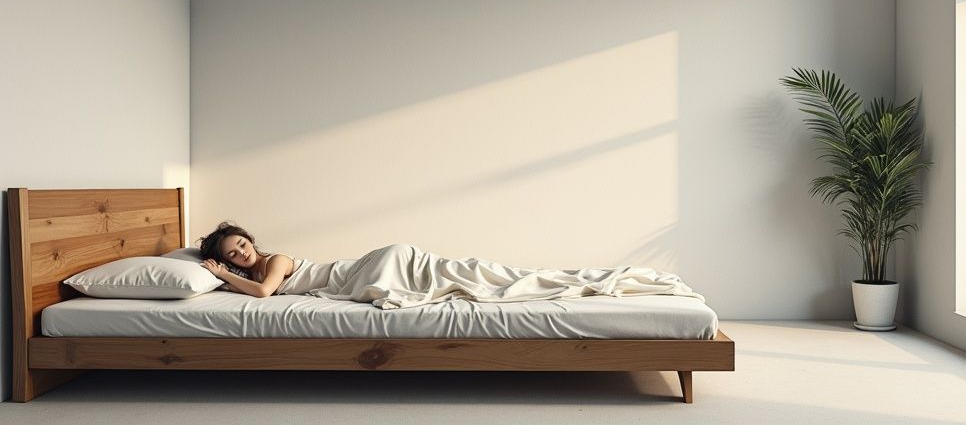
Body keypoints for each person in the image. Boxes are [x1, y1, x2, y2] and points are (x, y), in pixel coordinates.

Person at [198, 221, 705, 309]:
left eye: (241, 246)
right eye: (231, 255)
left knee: (481, 278)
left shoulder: (276, 261)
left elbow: (264, 294)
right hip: (376, 265)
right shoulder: (255, 268)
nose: (240, 255)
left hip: (376, 268)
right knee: (483, 274)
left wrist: (223, 278)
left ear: (252, 242)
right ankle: (595, 279)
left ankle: (602, 281)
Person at [199, 222, 296, 297]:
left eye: (242, 245)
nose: (242, 253)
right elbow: (250, 288)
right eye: (233, 254)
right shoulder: (251, 276)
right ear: (228, 262)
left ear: (250, 240)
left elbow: (263, 291)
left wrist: (223, 273)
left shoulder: (277, 260)